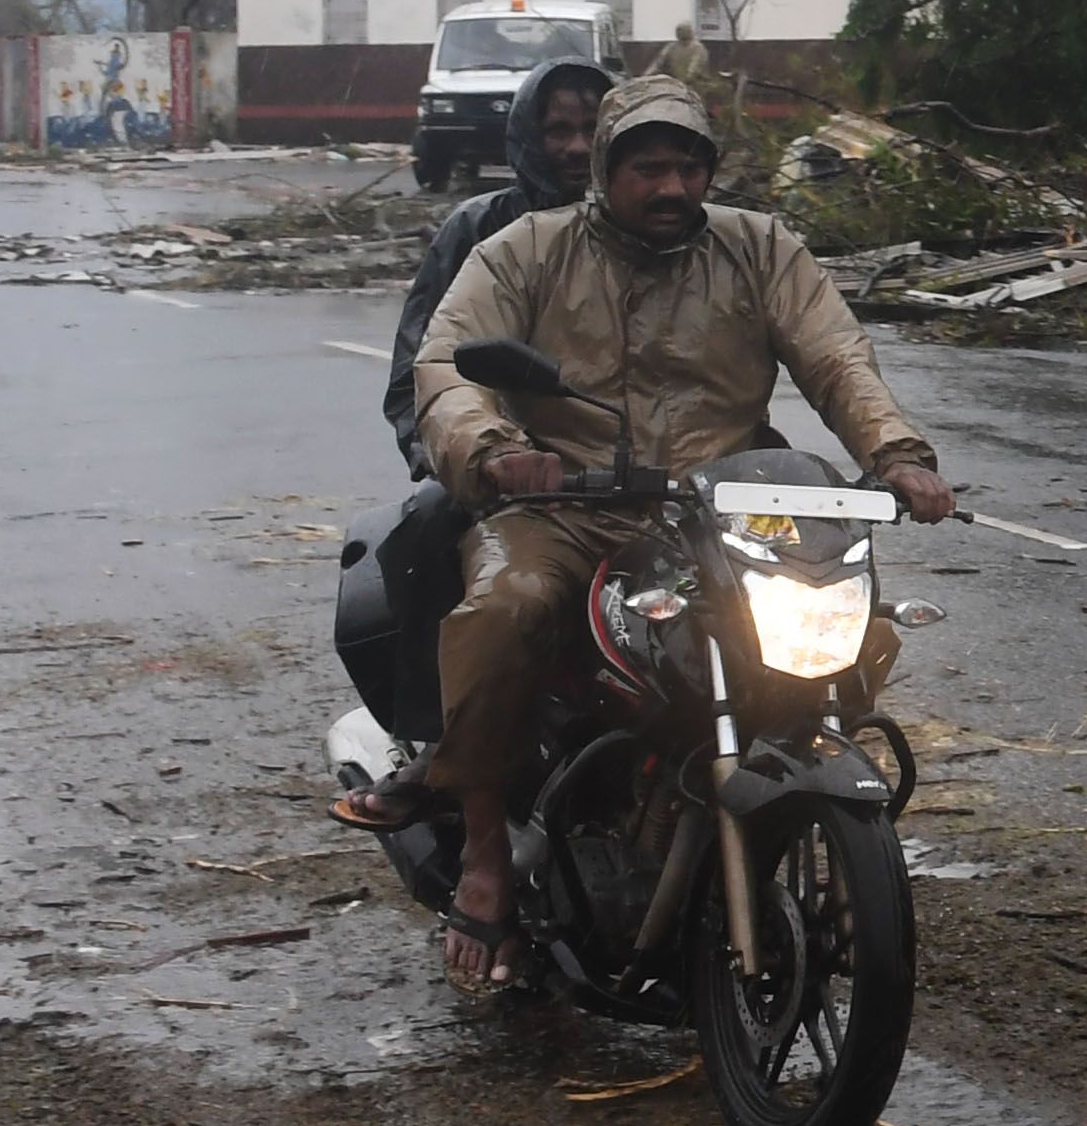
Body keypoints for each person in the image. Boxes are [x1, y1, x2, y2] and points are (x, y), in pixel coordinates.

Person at [386, 75, 954, 990]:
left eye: (689, 167)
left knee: (855, 625)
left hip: (727, 507)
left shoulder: (759, 248)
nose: (672, 188)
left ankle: (773, 815)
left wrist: (897, 455)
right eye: (648, 168)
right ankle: (488, 854)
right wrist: (495, 449)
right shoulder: (524, 250)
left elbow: (836, 355)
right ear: (605, 174)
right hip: (564, 505)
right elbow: (447, 366)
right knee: (508, 607)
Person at [381, 55, 614, 473]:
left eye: (592, 129)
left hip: (627, 468)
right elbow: (421, 363)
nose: (578, 147)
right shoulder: (479, 227)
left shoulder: (646, 230)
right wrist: (454, 456)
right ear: (529, 134)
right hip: (504, 462)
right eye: (558, 131)